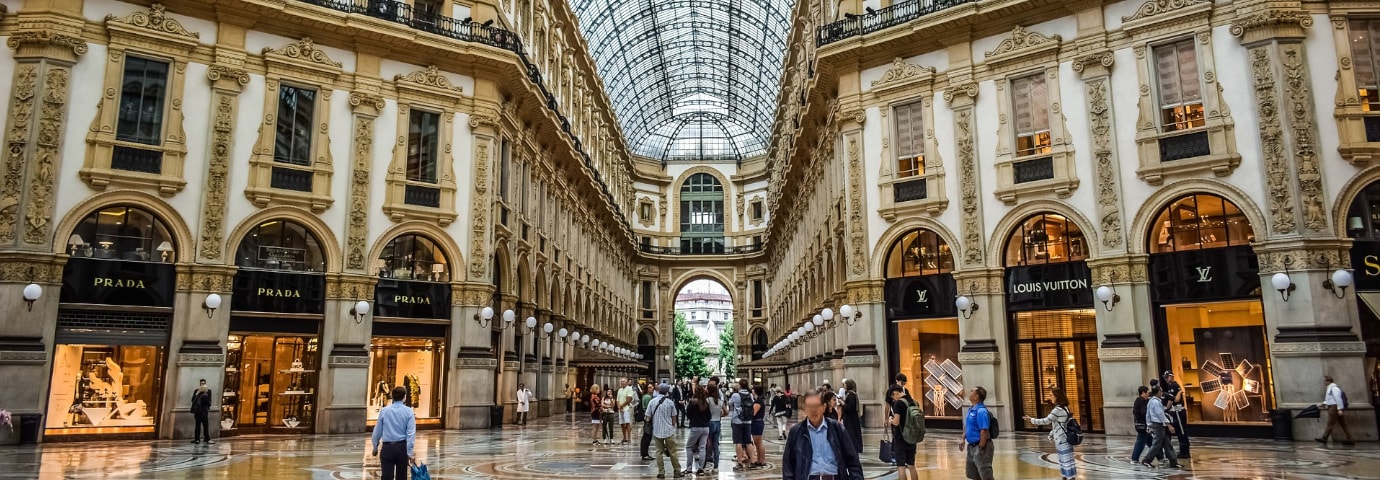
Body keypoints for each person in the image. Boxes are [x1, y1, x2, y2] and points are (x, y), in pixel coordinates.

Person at [781, 391, 864, 480]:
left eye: (816, 406)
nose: (813, 410)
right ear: (804, 408)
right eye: (809, 406)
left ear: (824, 407)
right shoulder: (796, 432)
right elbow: (788, 466)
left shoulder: (837, 429)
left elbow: (853, 462)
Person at [1024, 388, 1076, 480]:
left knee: (1064, 461)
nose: (1050, 397)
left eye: (1051, 395)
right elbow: (1060, 424)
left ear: (1057, 397)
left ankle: (1067, 477)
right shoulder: (1065, 408)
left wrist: (1031, 420)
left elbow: (1046, 421)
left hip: (1061, 439)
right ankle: (1070, 477)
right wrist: (1052, 433)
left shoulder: (1057, 410)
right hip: (1066, 437)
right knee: (1068, 460)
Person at [371, 386, 417, 480]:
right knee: (402, 476)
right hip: (402, 448)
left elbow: (377, 430)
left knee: (386, 476)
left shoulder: (384, 411)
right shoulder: (409, 412)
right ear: (404, 397)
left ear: (392, 396)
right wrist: (409, 452)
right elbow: (411, 433)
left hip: (387, 447)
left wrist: (375, 446)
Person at [647, 384, 684, 479]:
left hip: (657, 430)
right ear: (667, 391)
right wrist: (673, 426)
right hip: (668, 430)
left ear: (658, 390)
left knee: (658, 451)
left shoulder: (652, 402)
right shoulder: (670, 403)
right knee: (673, 451)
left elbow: (648, 416)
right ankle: (677, 471)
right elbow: (674, 417)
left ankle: (661, 472)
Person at [1140, 386, 1181, 469]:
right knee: (1156, 444)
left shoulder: (1151, 401)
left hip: (1158, 425)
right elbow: (1160, 415)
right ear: (1158, 392)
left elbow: (1148, 414)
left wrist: (1149, 424)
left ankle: (1173, 462)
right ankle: (1146, 460)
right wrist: (1169, 425)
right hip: (1158, 425)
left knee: (1167, 444)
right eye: (1161, 391)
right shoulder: (1155, 402)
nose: (1162, 393)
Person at [961, 386, 993, 480]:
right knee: (973, 474)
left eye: (972, 391)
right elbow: (967, 426)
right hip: (971, 446)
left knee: (985, 473)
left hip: (980, 446)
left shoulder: (981, 411)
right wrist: (962, 438)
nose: (969, 393)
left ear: (976, 397)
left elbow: (984, 430)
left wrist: (981, 447)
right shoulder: (971, 409)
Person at [888, 384, 918, 480]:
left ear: (895, 393)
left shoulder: (899, 403)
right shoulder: (914, 401)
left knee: (901, 466)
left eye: (893, 397)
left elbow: (896, 422)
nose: (894, 400)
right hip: (912, 437)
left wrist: (890, 420)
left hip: (901, 438)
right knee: (911, 465)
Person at [1318, 374, 1357, 446]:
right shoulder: (1330, 387)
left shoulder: (1334, 388)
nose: (1323, 382)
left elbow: (1338, 399)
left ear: (1328, 381)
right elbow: (1331, 399)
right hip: (1333, 406)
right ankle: (1350, 439)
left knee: (1330, 423)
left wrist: (1340, 409)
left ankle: (1324, 438)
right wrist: (1324, 403)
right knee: (1343, 424)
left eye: (1324, 381)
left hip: (1334, 407)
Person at [728, 379, 757, 472]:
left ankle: (739, 462)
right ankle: (753, 461)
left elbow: (730, 404)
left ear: (739, 385)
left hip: (737, 421)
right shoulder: (750, 395)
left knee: (738, 442)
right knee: (748, 442)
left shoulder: (735, 395)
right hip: (748, 421)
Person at [684, 385, 712, 475]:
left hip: (696, 427)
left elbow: (687, 414)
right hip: (705, 427)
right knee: (702, 448)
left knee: (689, 447)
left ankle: (689, 468)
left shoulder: (692, 402)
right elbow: (709, 416)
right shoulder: (705, 403)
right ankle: (701, 469)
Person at [1161, 371, 1190, 458]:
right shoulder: (1172, 386)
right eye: (1165, 377)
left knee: (1181, 431)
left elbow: (1173, 400)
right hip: (1177, 411)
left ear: (1171, 377)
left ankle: (1184, 451)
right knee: (1181, 431)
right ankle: (1184, 451)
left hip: (1178, 411)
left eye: (1167, 377)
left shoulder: (1173, 386)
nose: (1166, 379)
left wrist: (1166, 408)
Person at [1131, 386, 1154, 463]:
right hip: (1142, 425)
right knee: (1141, 442)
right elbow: (1143, 412)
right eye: (1147, 392)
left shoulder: (1142, 400)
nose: (1148, 394)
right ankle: (1134, 458)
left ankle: (1159, 456)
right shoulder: (1140, 401)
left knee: (1151, 441)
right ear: (1143, 393)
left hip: (1143, 425)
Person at [705, 382, 724, 473]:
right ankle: (716, 466)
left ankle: (706, 463)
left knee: (707, 444)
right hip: (718, 422)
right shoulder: (720, 401)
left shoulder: (708, 400)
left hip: (710, 423)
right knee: (716, 445)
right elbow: (726, 411)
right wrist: (721, 415)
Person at [841, 379, 863, 455]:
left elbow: (849, 407)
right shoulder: (853, 394)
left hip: (850, 419)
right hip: (853, 419)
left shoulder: (851, 395)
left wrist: (842, 403)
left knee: (851, 435)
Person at [190, 379, 213, 445]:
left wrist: (205, 396)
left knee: (205, 425)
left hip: (204, 411)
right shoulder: (196, 391)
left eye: (204, 383)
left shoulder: (208, 391)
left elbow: (209, 402)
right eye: (201, 383)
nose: (202, 384)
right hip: (197, 411)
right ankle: (197, 439)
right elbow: (193, 400)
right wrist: (197, 394)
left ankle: (207, 438)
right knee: (197, 425)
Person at [751, 385, 768, 469]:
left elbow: (753, 413)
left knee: (759, 442)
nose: (752, 391)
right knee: (757, 443)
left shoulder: (758, 402)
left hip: (757, 423)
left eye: (753, 389)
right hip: (757, 422)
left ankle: (762, 460)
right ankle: (759, 459)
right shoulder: (758, 400)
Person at [619, 377, 639, 444]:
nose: (622, 382)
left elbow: (629, 399)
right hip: (621, 409)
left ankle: (629, 438)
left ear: (627, 382)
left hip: (628, 408)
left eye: (624, 381)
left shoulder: (630, 389)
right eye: (621, 381)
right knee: (622, 423)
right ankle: (624, 438)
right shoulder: (620, 390)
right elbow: (617, 400)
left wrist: (622, 405)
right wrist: (619, 406)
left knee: (628, 422)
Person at [641, 383, 657, 460]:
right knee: (647, 436)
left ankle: (644, 453)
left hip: (647, 418)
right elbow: (648, 409)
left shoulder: (648, 396)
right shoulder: (647, 397)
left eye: (652, 387)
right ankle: (644, 454)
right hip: (648, 419)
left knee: (647, 436)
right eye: (649, 387)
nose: (651, 389)